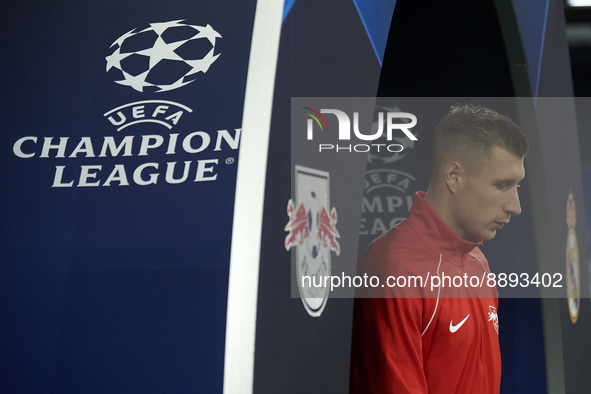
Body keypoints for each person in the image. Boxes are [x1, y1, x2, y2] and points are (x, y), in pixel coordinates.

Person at [349, 104, 529, 394]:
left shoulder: (478, 263)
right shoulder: (393, 267)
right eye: (502, 185)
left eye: (517, 186)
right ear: (454, 177)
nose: (515, 206)